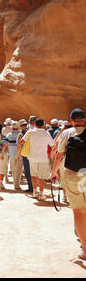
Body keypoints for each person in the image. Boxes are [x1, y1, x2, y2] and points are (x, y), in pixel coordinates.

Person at [51, 108, 86, 260]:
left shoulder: (66, 133)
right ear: (84, 120)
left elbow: (59, 156)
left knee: (79, 211)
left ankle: (85, 249)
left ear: (71, 120)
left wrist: (53, 172)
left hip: (73, 174)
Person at [21, 118, 54, 200]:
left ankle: (35, 192)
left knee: (33, 175)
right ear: (43, 125)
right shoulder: (46, 133)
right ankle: (41, 193)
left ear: (35, 124)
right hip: (43, 158)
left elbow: (22, 141)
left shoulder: (30, 132)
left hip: (32, 157)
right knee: (42, 177)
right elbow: (52, 145)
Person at [3, 121, 22, 190]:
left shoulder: (8, 135)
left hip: (11, 154)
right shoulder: (20, 134)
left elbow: (5, 144)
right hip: (19, 154)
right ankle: (17, 184)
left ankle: (15, 183)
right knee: (19, 169)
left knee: (13, 168)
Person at [17, 119, 33, 192]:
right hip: (33, 153)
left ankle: (31, 187)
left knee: (27, 171)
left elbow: (19, 145)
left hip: (25, 153)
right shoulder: (32, 132)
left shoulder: (21, 134)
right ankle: (35, 186)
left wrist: (18, 155)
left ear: (20, 126)